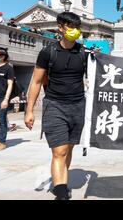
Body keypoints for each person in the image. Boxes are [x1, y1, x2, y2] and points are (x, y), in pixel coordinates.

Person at [25, 12, 88, 200]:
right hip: (54, 105)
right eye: (70, 26)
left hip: (78, 105)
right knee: (59, 150)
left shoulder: (84, 53)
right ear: (60, 27)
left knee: (67, 149)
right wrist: (29, 111)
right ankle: (61, 193)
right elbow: (36, 82)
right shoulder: (48, 52)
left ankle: (60, 182)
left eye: (77, 27)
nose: (74, 31)